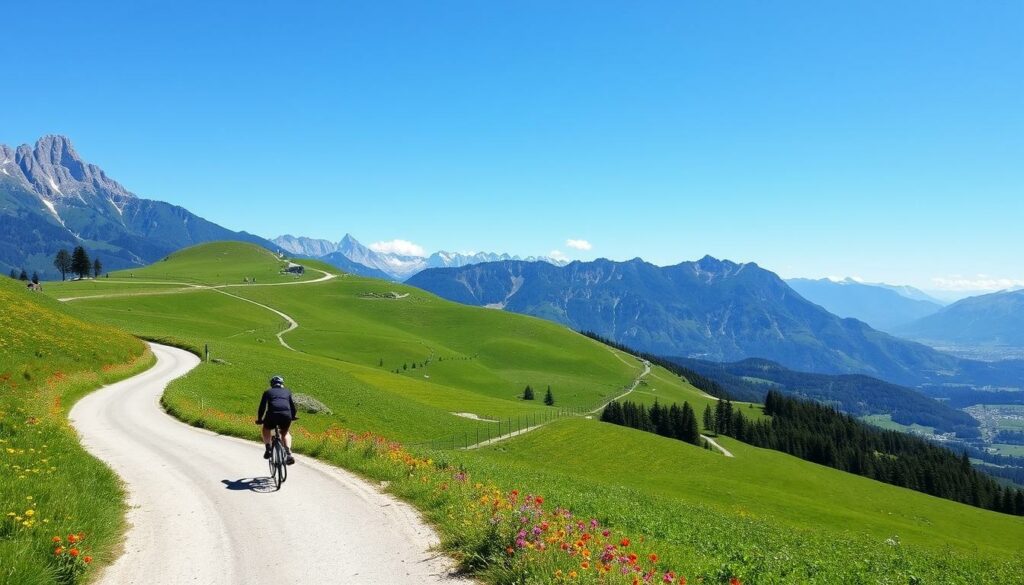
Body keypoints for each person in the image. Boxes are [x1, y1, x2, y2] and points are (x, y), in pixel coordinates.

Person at [255, 375, 297, 465]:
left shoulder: (267, 392)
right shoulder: (287, 392)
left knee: (266, 429)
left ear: (272, 384)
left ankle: (268, 448)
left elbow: (262, 407)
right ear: (282, 384)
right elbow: (293, 407)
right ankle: (288, 453)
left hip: (272, 415)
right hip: (286, 415)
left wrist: (259, 419)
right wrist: (292, 416)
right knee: (285, 433)